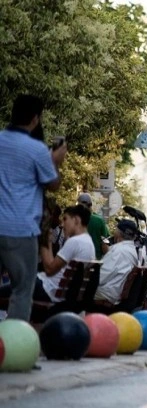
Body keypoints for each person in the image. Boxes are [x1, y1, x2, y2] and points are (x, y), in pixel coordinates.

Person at [0, 95, 67, 321]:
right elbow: (53, 184)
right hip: (20, 229)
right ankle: (14, 343)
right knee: (22, 289)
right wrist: (55, 161)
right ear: (36, 119)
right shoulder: (36, 149)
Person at [94, 220, 139, 306]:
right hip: (115, 294)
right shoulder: (131, 250)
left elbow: (100, 277)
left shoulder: (118, 250)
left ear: (118, 233)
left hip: (106, 294)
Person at [77, 193, 110, 259]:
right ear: (91, 205)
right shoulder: (99, 221)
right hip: (96, 261)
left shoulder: (74, 219)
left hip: (78, 260)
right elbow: (105, 244)